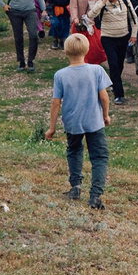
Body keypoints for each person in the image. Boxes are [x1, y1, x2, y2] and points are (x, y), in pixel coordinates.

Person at [43, 33, 112, 209]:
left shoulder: (60, 75)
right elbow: (104, 97)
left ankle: (75, 187)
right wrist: (105, 115)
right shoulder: (96, 70)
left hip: (72, 122)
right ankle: (95, 195)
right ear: (87, 50)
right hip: (94, 121)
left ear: (66, 52)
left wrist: (52, 127)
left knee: (74, 150)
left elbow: (56, 102)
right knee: (99, 156)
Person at [92, 0, 134, 101]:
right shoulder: (101, 3)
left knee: (120, 63)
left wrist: (134, 35)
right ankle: (119, 94)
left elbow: (133, 18)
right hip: (108, 37)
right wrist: (104, 1)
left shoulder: (125, 0)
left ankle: (113, 82)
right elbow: (91, 14)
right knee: (113, 63)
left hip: (123, 36)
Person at [0, 0, 43, 70]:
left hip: (30, 10)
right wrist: (3, 5)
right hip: (14, 12)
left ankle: (31, 61)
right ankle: (21, 62)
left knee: (33, 35)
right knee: (18, 37)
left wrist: (43, 9)